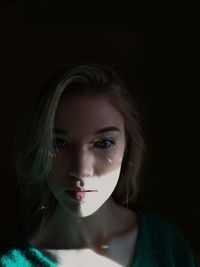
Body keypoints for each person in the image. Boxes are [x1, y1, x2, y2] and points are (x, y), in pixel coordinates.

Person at [0, 64, 199, 267]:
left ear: (127, 146)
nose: (81, 169)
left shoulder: (166, 246)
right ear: (38, 146)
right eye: (58, 143)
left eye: (103, 143)